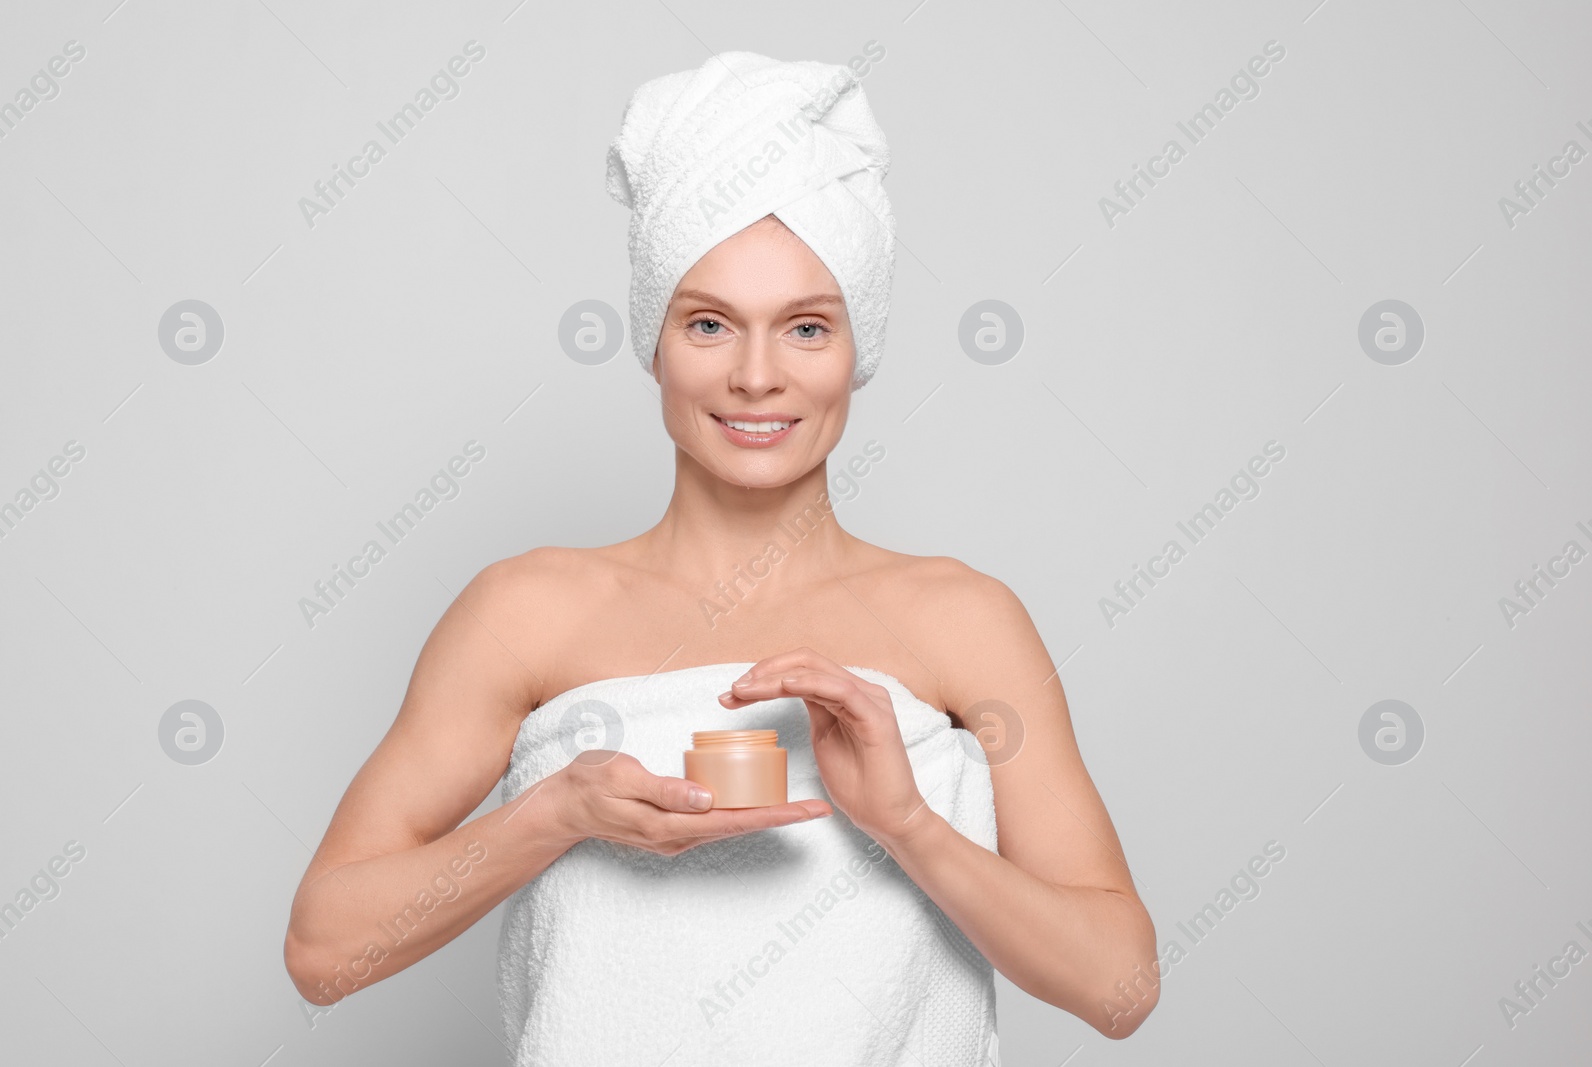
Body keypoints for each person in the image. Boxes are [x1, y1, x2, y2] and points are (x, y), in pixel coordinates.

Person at [283, 52, 1158, 1063]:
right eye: (708, 323)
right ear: (653, 343)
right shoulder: (525, 611)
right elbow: (323, 947)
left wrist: (907, 822)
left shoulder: (961, 620)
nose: (755, 375)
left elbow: (1119, 984)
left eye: (805, 327)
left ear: (855, 349)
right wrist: (557, 812)